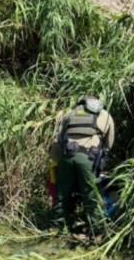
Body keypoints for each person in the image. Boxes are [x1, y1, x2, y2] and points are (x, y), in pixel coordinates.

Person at [49, 96, 115, 237]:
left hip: (67, 157)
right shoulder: (105, 115)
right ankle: (96, 230)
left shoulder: (70, 113)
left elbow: (59, 139)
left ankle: (56, 227)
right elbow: (109, 144)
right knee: (91, 194)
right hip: (88, 158)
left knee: (62, 193)